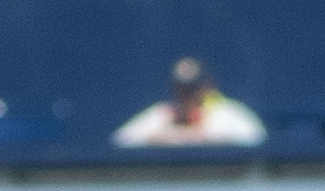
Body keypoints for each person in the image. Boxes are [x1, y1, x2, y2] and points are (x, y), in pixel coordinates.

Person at [112, 55, 263, 147]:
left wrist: (208, 139)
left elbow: (256, 139)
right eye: (181, 88)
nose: (186, 95)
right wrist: (161, 137)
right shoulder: (162, 114)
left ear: (205, 87)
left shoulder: (226, 113)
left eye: (192, 89)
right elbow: (121, 141)